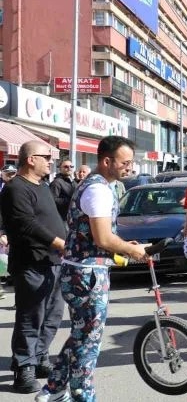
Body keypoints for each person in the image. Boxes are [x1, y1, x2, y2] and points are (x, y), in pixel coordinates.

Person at [40, 136, 147, 402]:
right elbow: (103, 238)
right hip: (86, 275)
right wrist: (130, 250)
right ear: (107, 161)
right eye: (125, 162)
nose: (129, 168)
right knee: (89, 344)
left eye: (131, 162)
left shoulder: (97, 185)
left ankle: (53, 389)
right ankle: (82, 396)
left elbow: (100, 234)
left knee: (82, 334)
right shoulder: (98, 189)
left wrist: (123, 245)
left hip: (81, 270)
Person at [0, 142, 66, 394]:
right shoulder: (15, 188)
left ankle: (39, 357)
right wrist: (59, 242)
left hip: (55, 262)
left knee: (52, 315)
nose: (50, 161)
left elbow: (51, 218)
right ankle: (23, 367)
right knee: (31, 316)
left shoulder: (43, 186)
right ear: (30, 159)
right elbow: (26, 224)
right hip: (31, 263)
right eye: (46, 157)